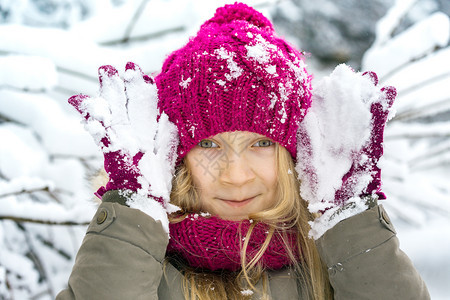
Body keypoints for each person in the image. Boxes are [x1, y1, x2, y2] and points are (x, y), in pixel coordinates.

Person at [57, 3, 429, 299]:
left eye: (262, 143)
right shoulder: (134, 258)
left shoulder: (336, 265)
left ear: (298, 153)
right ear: (173, 157)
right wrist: (132, 214)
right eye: (208, 144)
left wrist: (350, 221)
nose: (235, 175)